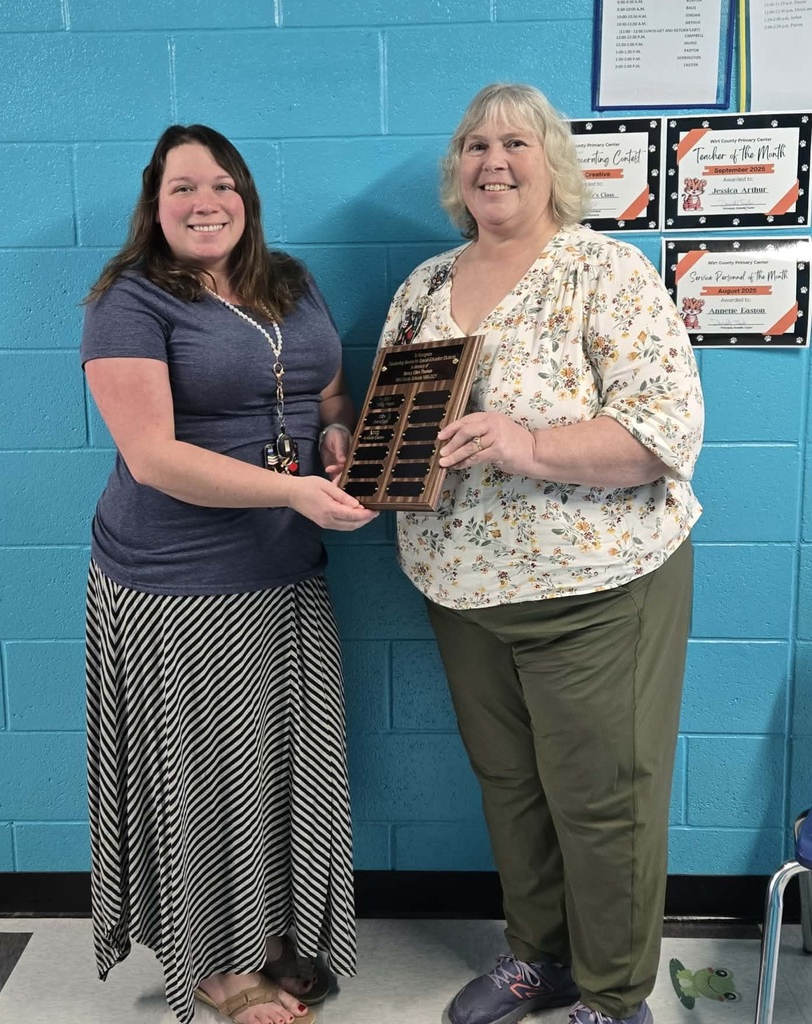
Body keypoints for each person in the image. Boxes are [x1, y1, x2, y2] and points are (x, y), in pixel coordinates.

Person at [379, 84, 704, 1024]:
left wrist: (528, 442)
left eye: (514, 142)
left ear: (551, 160)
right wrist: (359, 460)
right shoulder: (426, 286)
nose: (492, 161)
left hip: (597, 586)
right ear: (456, 171)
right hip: (459, 586)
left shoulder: (604, 273)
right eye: (473, 144)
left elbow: (664, 431)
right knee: (512, 788)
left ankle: (610, 996)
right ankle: (537, 958)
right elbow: (399, 420)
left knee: (604, 802)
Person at [80, 123, 377, 1024]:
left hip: (285, 570)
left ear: (244, 196)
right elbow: (154, 455)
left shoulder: (287, 281)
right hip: (174, 579)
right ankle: (213, 964)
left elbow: (326, 393)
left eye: (220, 185)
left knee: (278, 768)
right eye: (181, 189)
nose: (203, 203)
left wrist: (336, 435)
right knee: (202, 777)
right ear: (154, 204)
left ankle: (269, 931)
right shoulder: (129, 301)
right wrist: (293, 495)